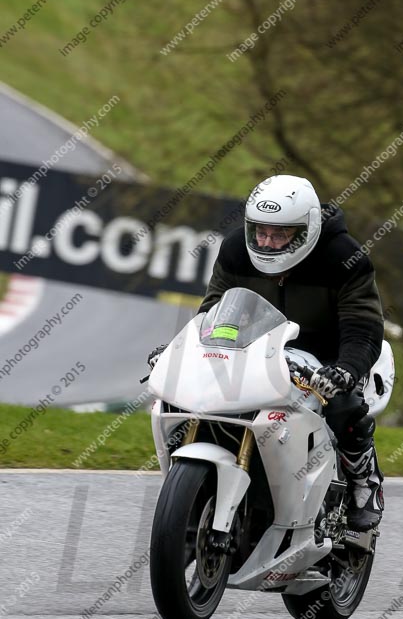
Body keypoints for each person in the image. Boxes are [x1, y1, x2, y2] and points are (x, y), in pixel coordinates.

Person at [149, 175, 385, 537]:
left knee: (344, 407)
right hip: (256, 350)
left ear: (305, 231)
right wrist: (184, 349)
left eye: (279, 234)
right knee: (194, 398)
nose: (267, 242)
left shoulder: (344, 257)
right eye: (260, 232)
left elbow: (363, 327)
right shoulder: (235, 251)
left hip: (327, 357)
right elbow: (213, 311)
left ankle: (362, 480)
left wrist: (346, 369)